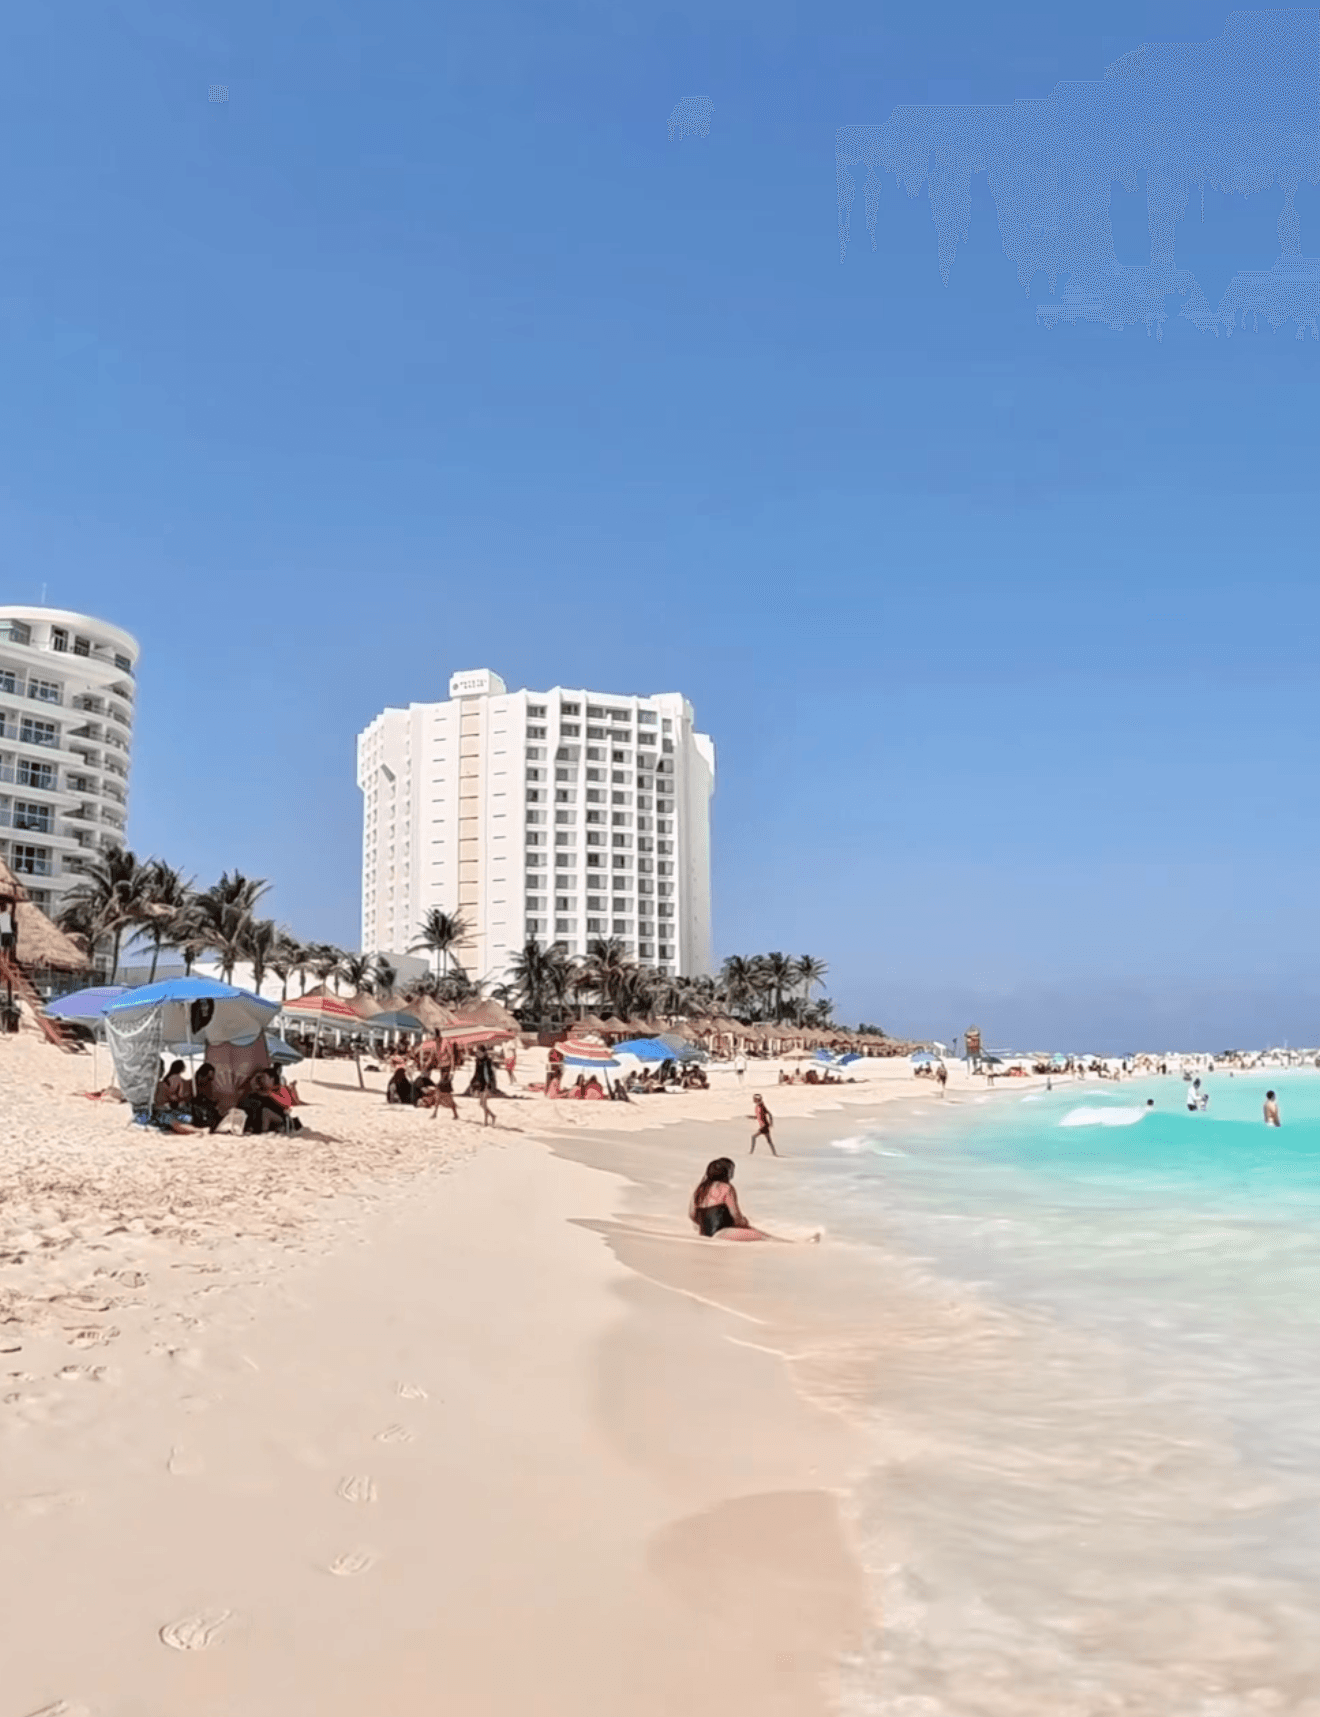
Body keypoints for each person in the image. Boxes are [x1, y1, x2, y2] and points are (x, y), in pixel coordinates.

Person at [688, 1157, 810, 1242]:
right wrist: (744, 1223)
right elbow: (735, 1215)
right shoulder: (727, 1188)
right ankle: (800, 1243)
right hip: (723, 1233)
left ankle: (798, 1242)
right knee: (766, 1238)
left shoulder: (699, 1189)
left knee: (760, 1235)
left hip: (704, 1233)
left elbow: (692, 1215)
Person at [152, 1059, 200, 1134]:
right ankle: (197, 1131)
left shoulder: (166, 1079)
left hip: (161, 1110)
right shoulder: (173, 1081)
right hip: (162, 1111)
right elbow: (176, 1097)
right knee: (181, 1120)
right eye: (162, 1068)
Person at [190, 1062, 223, 1132]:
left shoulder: (208, 1085)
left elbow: (209, 1098)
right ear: (201, 1076)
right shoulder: (191, 1085)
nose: (210, 1080)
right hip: (196, 1111)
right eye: (209, 1078)